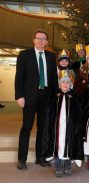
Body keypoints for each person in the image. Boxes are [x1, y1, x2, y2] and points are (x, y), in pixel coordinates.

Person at [15, 29, 58, 170]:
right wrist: (19, 96)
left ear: (46, 42)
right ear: (33, 40)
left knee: (43, 129)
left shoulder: (51, 57)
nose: (41, 41)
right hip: (29, 97)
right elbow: (19, 77)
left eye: (43, 38)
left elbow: (53, 80)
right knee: (27, 127)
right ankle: (22, 159)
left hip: (45, 98)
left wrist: (55, 97)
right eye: (38, 38)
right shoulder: (24, 55)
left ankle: (40, 157)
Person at [43, 70, 84, 177]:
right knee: (58, 145)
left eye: (67, 82)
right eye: (63, 82)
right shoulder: (54, 96)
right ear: (59, 84)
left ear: (70, 84)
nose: (65, 84)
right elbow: (49, 113)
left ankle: (67, 165)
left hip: (69, 127)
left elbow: (79, 114)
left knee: (68, 144)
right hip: (57, 127)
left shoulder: (75, 97)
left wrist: (77, 127)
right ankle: (58, 166)